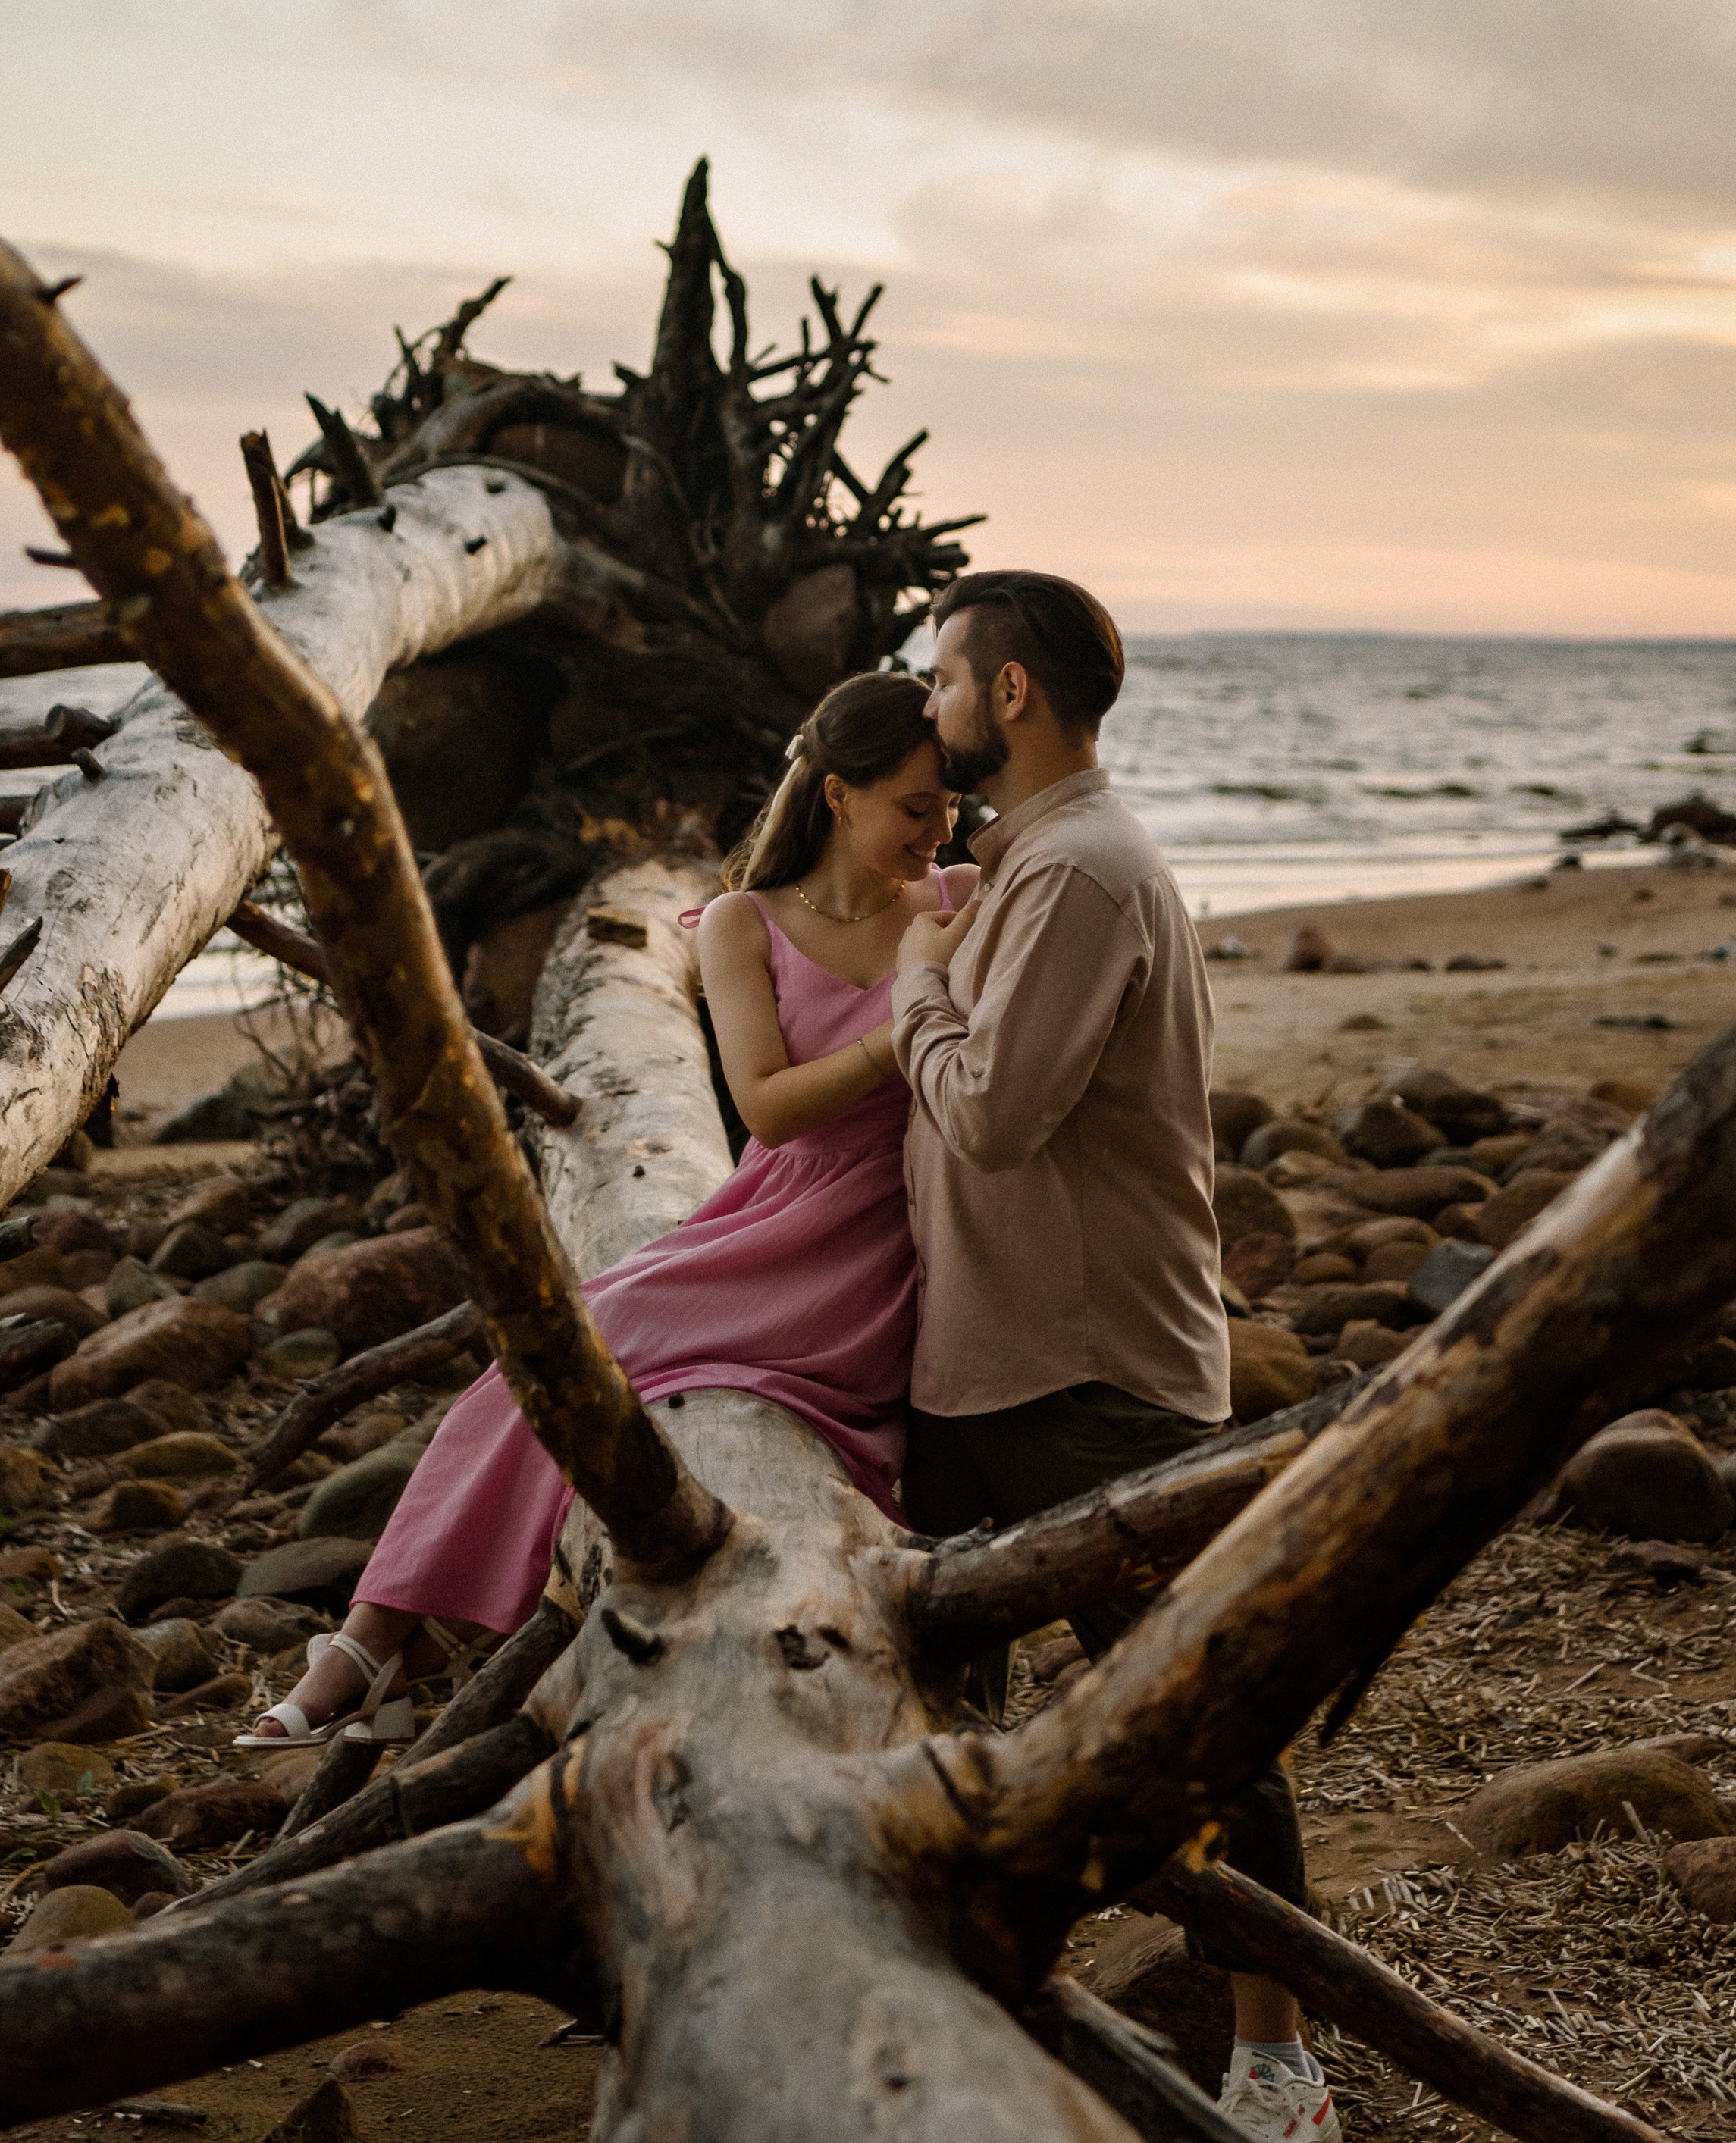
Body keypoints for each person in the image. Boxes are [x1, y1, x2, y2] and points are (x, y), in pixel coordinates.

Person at [238, 668, 970, 1750]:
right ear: (837, 795)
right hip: (777, 1219)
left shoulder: (958, 901)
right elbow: (766, 1110)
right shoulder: (743, 922)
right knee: (546, 1357)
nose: (941, 827)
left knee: (591, 1350)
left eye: (952, 805)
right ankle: (373, 1642)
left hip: (885, 1247)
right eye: (918, 805)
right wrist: (908, 1011)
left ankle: (376, 1649)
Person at [890, 570, 1338, 2143]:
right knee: (944, 1721)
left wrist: (910, 989)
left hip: (1088, 1383)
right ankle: (960, 2017)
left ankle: (1278, 2065)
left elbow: (993, 1112)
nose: (929, 703)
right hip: (983, 1364)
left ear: (1008, 694)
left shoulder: (1079, 872)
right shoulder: (1024, 861)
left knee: (1198, 1720)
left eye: (944, 677)